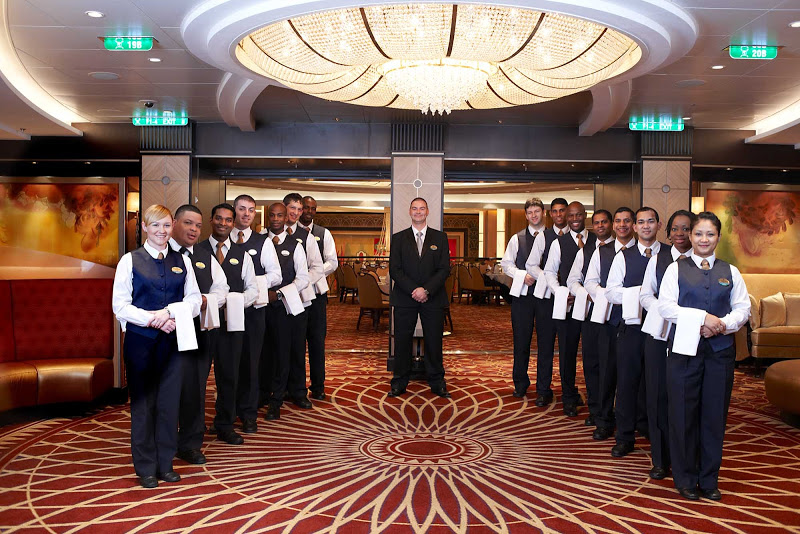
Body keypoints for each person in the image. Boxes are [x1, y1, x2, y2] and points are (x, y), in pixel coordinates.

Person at [658, 211, 750, 501]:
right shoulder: (676, 269)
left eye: (710, 234)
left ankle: (709, 479)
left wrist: (722, 325)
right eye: (699, 234)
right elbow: (666, 307)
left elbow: (742, 309)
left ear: (718, 238)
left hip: (719, 354)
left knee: (713, 416)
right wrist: (703, 318)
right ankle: (684, 478)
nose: (704, 239)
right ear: (690, 236)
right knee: (683, 415)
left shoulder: (731, 271)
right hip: (684, 353)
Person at [112, 204, 201, 488]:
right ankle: (146, 467)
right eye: (155, 226)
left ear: (171, 226)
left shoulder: (182, 260)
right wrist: (153, 319)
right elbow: (120, 306)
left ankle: (166, 463)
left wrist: (170, 313)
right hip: (141, 343)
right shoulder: (130, 260)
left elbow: (195, 300)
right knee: (143, 405)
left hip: (174, 343)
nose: (161, 231)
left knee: (168, 404)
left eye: (165, 225)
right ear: (145, 229)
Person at [639, 209, 695, 480]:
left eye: (686, 229)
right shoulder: (657, 259)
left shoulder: (702, 263)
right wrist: (665, 311)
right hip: (660, 335)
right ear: (668, 231)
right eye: (675, 229)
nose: (680, 234)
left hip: (690, 338)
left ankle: (685, 457)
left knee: (685, 397)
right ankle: (660, 459)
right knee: (658, 396)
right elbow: (645, 295)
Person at [170, 205, 229, 466]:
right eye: (188, 223)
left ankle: (191, 443)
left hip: (199, 332)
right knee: (168, 388)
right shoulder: (162, 254)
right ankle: (164, 439)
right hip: (167, 333)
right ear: (174, 224)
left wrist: (207, 300)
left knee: (195, 388)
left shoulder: (205, 255)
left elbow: (223, 287)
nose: (194, 229)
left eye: (197, 225)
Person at [606, 206, 664, 458]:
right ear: (634, 227)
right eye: (641, 222)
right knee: (627, 383)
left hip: (661, 330)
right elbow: (610, 291)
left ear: (658, 225)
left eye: (650, 221)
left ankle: (656, 433)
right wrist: (641, 294)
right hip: (631, 328)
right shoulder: (623, 256)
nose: (646, 226)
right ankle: (625, 436)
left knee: (657, 385)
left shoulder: (672, 256)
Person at [201, 203, 259, 444]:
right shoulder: (196, 250)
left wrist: (235, 302)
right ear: (211, 221)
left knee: (229, 376)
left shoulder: (242, 255)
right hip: (202, 325)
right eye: (219, 219)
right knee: (197, 377)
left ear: (233, 224)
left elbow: (253, 290)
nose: (223, 223)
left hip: (231, 325)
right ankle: (192, 425)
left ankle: (225, 423)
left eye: (227, 220)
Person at [388, 197, 451, 398]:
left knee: (434, 341)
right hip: (405, 297)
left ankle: (437, 381)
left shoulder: (440, 238)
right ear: (409, 211)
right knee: (402, 341)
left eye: (422, 208)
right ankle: (399, 382)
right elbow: (395, 270)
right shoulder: (398, 238)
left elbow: (444, 269)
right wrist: (414, 290)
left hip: (433, 298)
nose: (418, 212)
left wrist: (426, 290)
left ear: (427, 211)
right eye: (414, 208)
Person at [583, 207, 636, 440]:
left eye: (627, 221)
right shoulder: (602, 252)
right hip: (607, 319)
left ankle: (634, 420)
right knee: (606, 371)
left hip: (636, 322)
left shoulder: (646, 253)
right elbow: (590, 282)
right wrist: (607, 295)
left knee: (633, 374)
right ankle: (604, 419)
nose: (622, 225)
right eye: (618, 221)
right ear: (614, 226)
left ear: (633, 224)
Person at [232, 195, 282, 431]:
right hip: (228, 311)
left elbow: (276, 275)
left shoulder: (264, 242)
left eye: (251, 210)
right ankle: (228, 411)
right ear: (234, 211)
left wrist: (251, 283)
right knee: (228, 363)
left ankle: (249, 413)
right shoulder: (223, 241)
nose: (246, 214)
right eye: (242, 209)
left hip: (254, 311)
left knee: (251, 363)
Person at [542, 201, 596, 417]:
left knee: (592, 354)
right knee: (567, 353)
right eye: (571, 215)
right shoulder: (558, 243)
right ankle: (568, 397)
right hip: (568, 306)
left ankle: (594, 398)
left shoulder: (597, 240)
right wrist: (561, 293)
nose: (574, 219)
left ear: (585, 216)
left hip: (593, 308)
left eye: (578, 215)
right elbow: (549, 272)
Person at [566, 209, 614, 427]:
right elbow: (573, 280)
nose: (601, 226)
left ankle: (612, 411)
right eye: (597, 223)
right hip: (590, 314)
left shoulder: (622, 249)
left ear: (611, 224)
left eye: (604, 222)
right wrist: (589, 294)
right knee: (592, 364)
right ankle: (595, 409)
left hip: (616, 318)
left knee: (613, 366)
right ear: (592, 226)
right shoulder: (585, 251)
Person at [264, 203, 310, 420]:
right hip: (258, 307)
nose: (275, 219)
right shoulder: (257, 241)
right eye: (271, 215)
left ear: (285, 218)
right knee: (262, 353)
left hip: (284, 306)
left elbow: (303, 278)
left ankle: (277, 400)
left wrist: (279, 293)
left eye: (279, 215)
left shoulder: (296, 245)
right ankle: (260, 394)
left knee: (284, 352)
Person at [279, 193, 325, 408]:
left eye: (299, 209)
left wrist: (302, 284)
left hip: (299, 299)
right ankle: (275, 390)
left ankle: (298, 391)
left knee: (297, 346)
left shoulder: (306, 236)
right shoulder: (266, 235)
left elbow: (317, 267)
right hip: (274, 301)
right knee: (276, 346)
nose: (296, 213)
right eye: (292, 208)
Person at [524, 197, 569, 407]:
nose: (559, 215)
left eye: (563, 211)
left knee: (568, 347)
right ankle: (543, 389)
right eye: (555, 212)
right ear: (550, 214)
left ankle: (569, 391)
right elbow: (531, 265)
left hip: (571, 300)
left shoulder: (579, 236)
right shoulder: (544, 236)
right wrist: (552, 281)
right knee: (545, 346)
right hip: (547, 299)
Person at [500, 197, 546, 398]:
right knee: (521, 341)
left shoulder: (553, 238)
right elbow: (506, 263)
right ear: (526, 215)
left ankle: (544, 386)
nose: (534, 215)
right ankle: (520, 382)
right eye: (530, 212)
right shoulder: (517, 238)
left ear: (543, 213)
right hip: (523, 297)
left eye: (537, 211)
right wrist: (521, 275)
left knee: (546, 343)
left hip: (546, 297)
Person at [299, 195, 339, 400]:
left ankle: (318, 386)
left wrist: (309, 275)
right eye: (305, 207)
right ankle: (295, 387)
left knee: (316, 342)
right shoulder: (290, 232)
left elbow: (332, 262)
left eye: (313, 209)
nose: (308, 211)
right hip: (294, 297)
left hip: (316, 295)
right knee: (295, 344)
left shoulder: (324, 233)